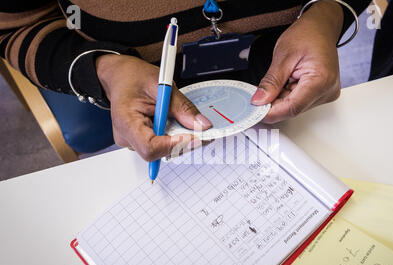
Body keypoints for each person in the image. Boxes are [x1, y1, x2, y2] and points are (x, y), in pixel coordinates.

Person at [0, 0, 370, 161]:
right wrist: (105, 69)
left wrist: (329, 13)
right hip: (154, 119)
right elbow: (17, 26)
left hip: (299, 103)